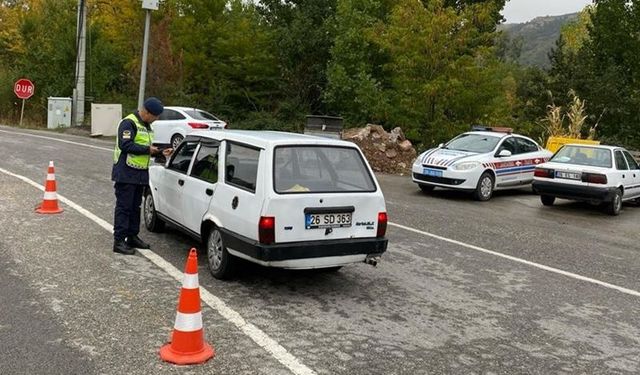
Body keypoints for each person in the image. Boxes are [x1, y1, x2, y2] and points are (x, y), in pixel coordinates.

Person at [112, 97, 173, 255]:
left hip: (140, 173)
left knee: (135, 207)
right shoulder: (129, 123)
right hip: (126, 172)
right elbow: (125, 145)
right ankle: (119, 241)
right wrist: (149, 150)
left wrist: (160, 151)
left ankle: (132, 236)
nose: (156, 119)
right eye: (154, 116)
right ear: (146, 112)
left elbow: (146, 147)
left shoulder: (147, 126)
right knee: (124, 207)